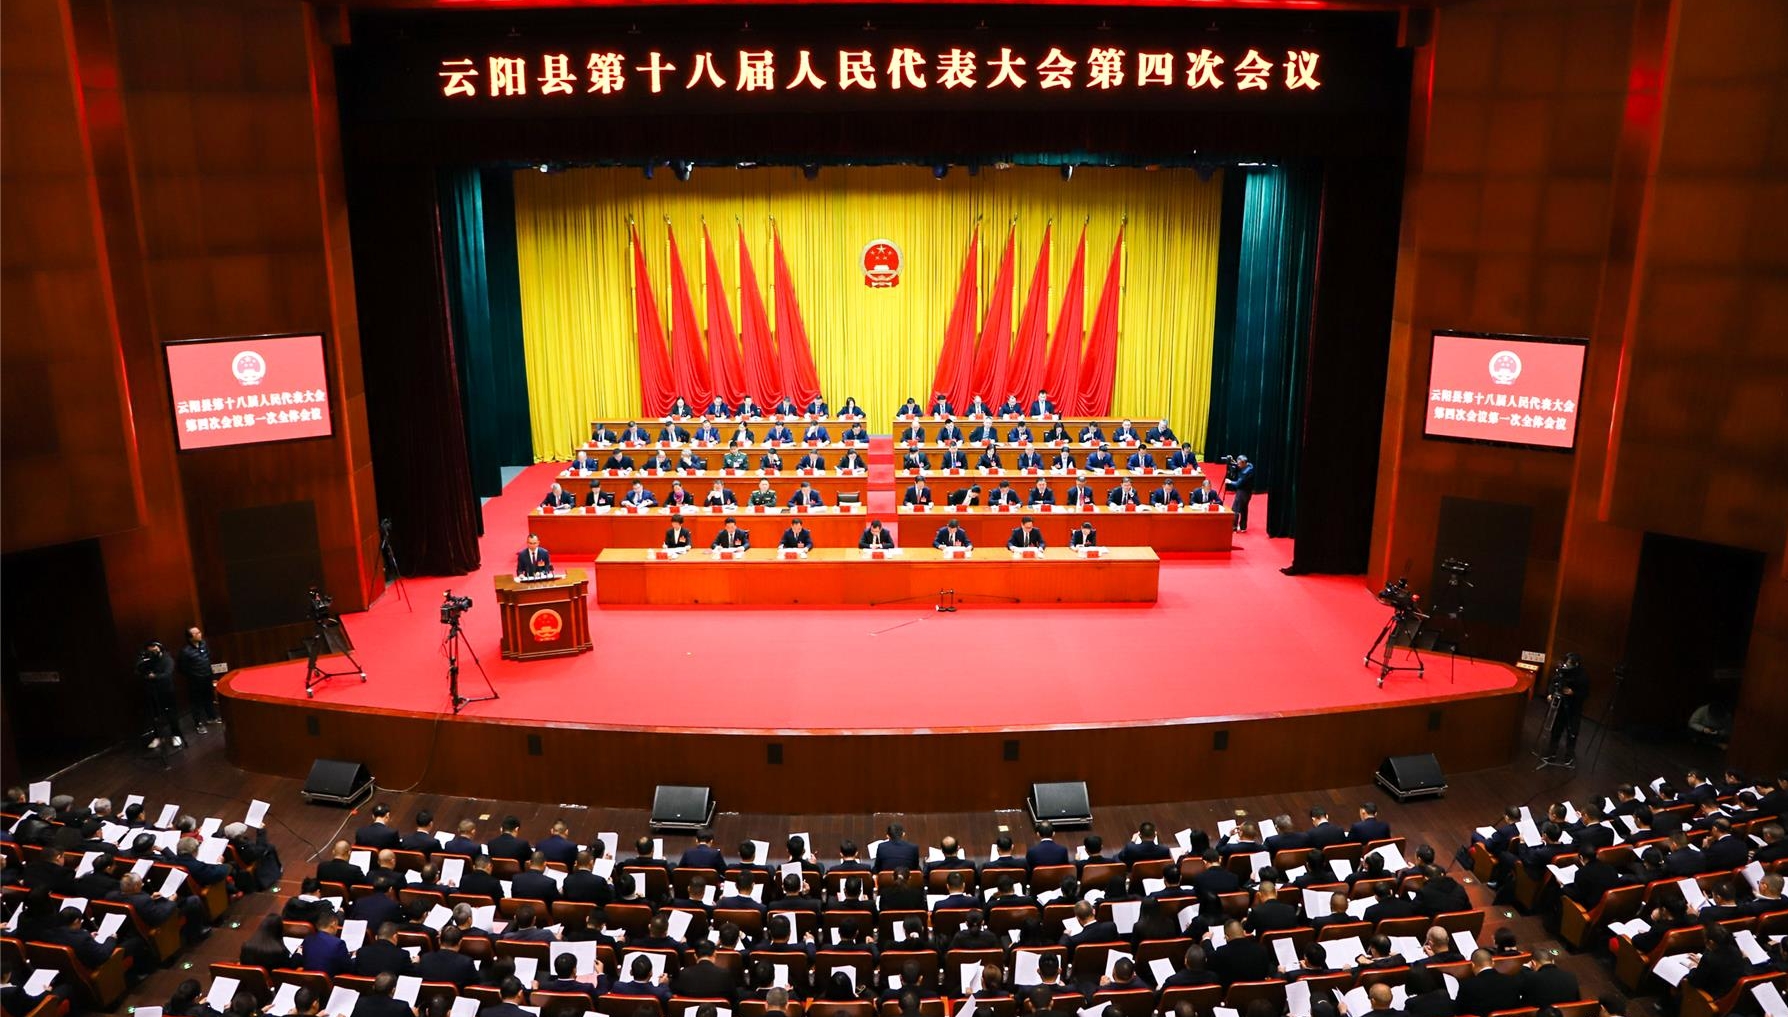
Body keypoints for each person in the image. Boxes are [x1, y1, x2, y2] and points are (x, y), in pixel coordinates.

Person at [137, 640, 184, 751]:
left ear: (159, 647)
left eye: (154, 647)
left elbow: (167, 674)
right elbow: (140, 671)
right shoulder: (148, 660)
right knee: (154, 715)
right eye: (150, 648)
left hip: (166, 691)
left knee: (171, 714)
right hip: (152, 691)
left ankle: (176, 734)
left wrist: (155, 676)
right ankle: (157, 737)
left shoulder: (167, 659)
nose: (153, 650)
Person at [177, 626, 222, 734]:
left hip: (207, 677)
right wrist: (194, 675)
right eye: (196, 633)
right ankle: (198, 724)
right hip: (195, 681)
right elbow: (181, 668)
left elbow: (208, 658)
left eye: (199, 632)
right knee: (196, 703)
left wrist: (211, 675)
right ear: (190, 637)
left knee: (209, 698)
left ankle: (212, 717)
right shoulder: (185, 651)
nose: (199, 634)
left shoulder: (204, 644)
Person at [1544, 653, 1587, 765]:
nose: (1566, 666)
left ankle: (1569, 756)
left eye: (1568, 664)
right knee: (1556, 730)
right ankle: (1551, 752)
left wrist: (1573, 693)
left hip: (1573, 709)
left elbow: (1585, 694)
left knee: (1572, 732)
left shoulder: (1582, 677)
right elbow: (1554, 683)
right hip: (1561, 706)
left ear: (1576, 664)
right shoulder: (1562, 672)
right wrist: (1550, 693)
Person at [1225, 454, 1256, 532]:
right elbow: (1239, 466)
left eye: (1239, 464)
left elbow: (1238, 484)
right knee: (1244, 509)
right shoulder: (1250, 466)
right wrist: (1233, 462)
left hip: (1242, 492)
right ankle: (1243, 527)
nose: (1238, 465)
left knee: (1235, 509)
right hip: (1248, 492)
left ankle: (1233, 527)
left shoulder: (1245, 473)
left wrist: (1230, 482)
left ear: (1243, 463)